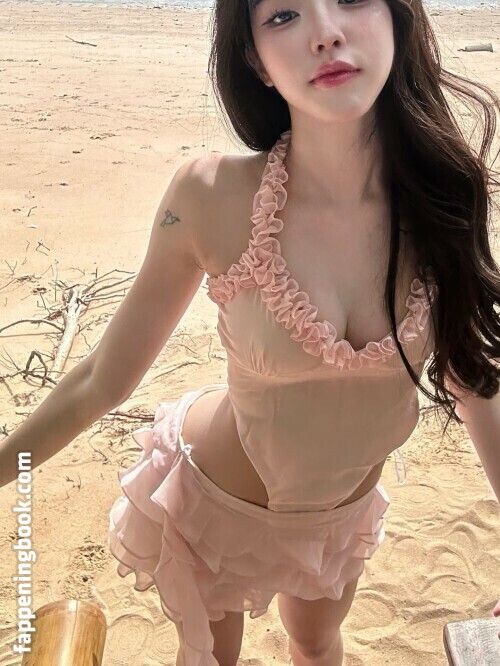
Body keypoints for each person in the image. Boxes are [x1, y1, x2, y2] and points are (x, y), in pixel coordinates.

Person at [2, 0, 500, 664]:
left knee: (316, 645)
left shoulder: (444, 196)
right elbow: (101, 379)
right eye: (284, 15)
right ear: (256, 61)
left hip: (339, 517)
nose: (325, 33)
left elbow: (473, 374)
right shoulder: (210, 196)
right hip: (216, 503)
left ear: (397, 19)